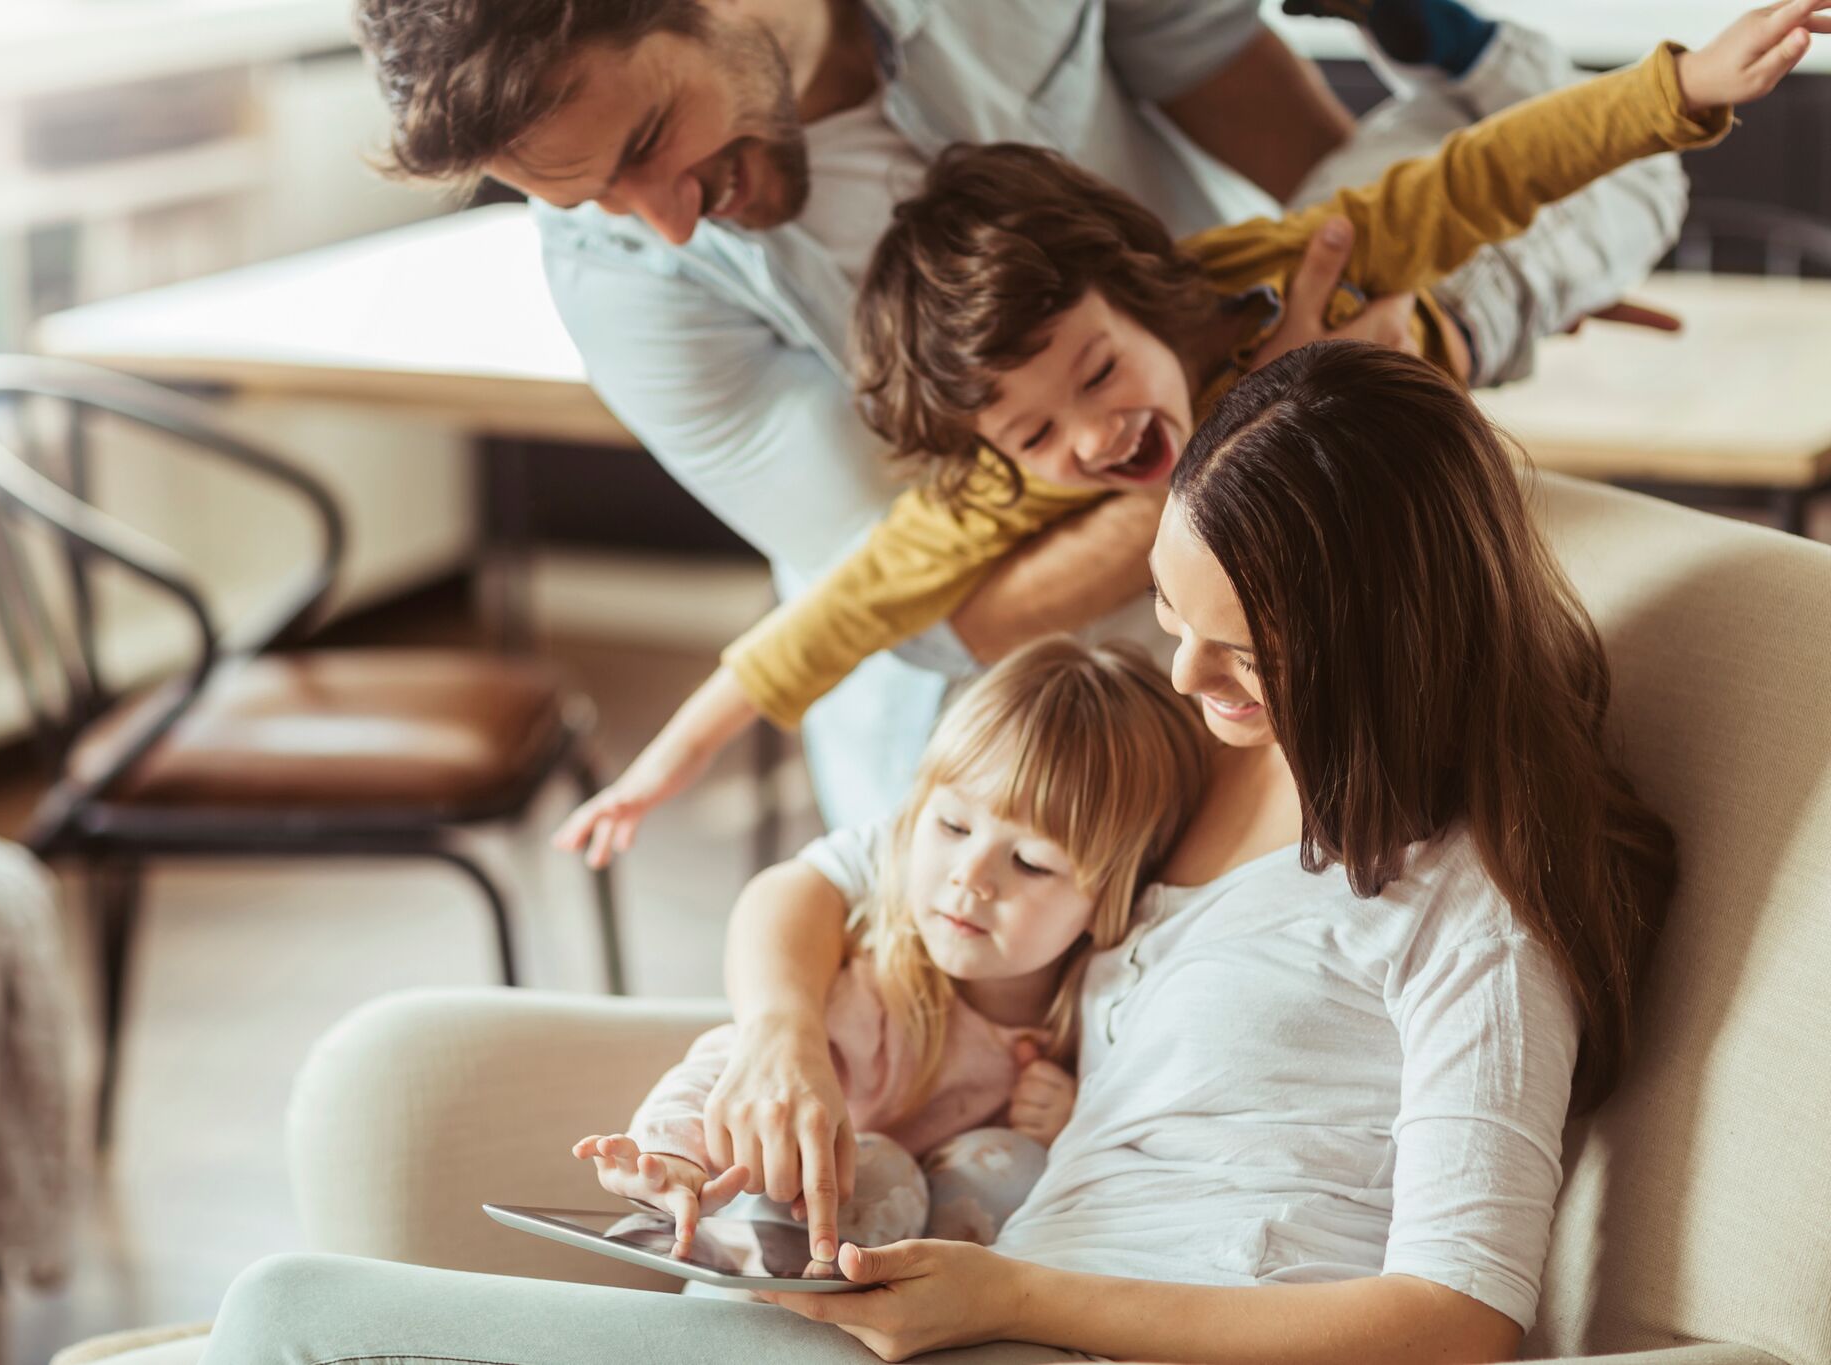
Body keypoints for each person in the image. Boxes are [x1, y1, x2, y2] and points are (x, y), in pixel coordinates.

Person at [193, 337, 1679, 1364]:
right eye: (1173, 621)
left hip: (1047, 1333)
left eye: (1244, 655)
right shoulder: (1184, 770)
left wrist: (1008, 1295)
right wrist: (783, 1046)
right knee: (294, 1312)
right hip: (956, 1313)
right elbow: (838, 878)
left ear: (1389, 650)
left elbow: (1458, 1314)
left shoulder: (1472, 908)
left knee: (283, 1320)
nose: (1184, 679)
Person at [354, 0, 1685, 834]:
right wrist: (1279, 403)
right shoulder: (632, 287)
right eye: (587, 199)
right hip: (1035, 723)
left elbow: (1301, 161)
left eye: (647, 143)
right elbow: (952, 613)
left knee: (1595, 172)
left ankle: (1478, 275)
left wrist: (1423, 265)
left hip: (1271, 413)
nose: (662, 217)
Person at [575, 637, 1210, 1254]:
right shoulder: (876, 995)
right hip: (779, 1251)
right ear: (909, 825)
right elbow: (740, 1066)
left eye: (1031, 863)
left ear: (1109, 903)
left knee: (1016, 1163)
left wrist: (1068, 1121)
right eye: (953, 825)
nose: (971, 876)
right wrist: (670, 1158)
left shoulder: (1100, 1017)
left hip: (942, 1296)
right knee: (879, 1170)